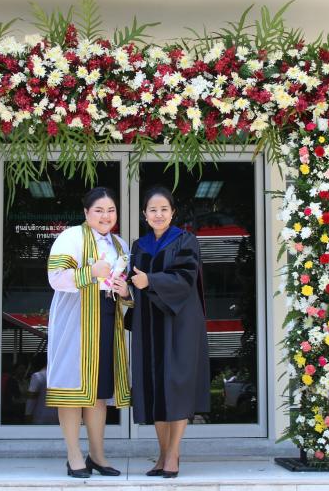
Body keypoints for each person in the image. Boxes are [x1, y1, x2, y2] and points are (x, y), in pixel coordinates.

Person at [45, 187, 132, 478]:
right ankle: (73, 456)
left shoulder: (119, 243)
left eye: (111, 210)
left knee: (99, 391)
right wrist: (91, 272)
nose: (106, 216)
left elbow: (123, 284)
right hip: (76, 320)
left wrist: (125, 291)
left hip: (107, 317)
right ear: (86, 212)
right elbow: (55, 277)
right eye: (99, 210)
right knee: (72, 389)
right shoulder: (71, 237)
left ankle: (97, 455)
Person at [129, 186, 210, 479]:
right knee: (154, 388)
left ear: (173, 212)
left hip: (180, 323)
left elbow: (185, 278)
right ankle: (163, 453)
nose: (158, 214)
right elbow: (132, 282)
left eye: (164, 209)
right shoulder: (139, 246)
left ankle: (173, 453)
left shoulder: (186, 240)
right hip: (149, 323)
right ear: (144, 214)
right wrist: (126, 289)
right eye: (153, 210)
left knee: (177, 385)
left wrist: (150, 280)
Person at [24, 356, 59, 425]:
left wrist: (28, 414)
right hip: (57, 416)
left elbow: (31, 397)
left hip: (40, 416)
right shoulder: (58, 376)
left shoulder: (37, 376)